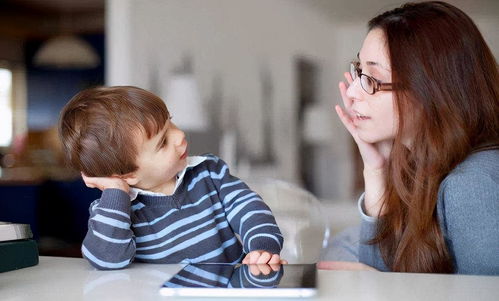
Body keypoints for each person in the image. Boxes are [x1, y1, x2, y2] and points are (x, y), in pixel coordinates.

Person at [320, 1, 499, 275]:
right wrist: (375, 168)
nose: (352, 92)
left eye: (372, 79)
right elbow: (379, 269)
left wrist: (380, 283)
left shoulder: (472, 184)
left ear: (430, 90)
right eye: (359, 71)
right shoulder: (422, 166)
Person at [58, 86, 286, 270]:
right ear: (129, 174)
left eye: (171, 122)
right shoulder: (114, 212)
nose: (179, 135)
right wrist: (117, 192)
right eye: (163, 143)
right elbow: (107, 259)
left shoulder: (209, 173)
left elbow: (249, 208)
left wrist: (262, 247)